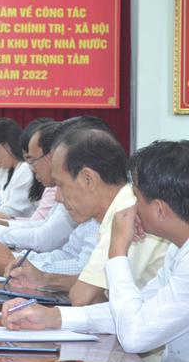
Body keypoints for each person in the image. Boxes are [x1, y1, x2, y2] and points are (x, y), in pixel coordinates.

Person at [2, 140, 189, 362]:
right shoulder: (178, 250)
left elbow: (134, 336)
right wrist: (54, 317)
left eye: (136, 197)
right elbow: (137, 312)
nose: (132, 206)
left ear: (160, 210)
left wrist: (118, 249)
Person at [14, 127, 168, 305]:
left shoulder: (130, 213)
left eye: (60, 185)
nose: (58, 198)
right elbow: (97, 287)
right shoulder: (117, 208)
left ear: (88, 179)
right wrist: (44, 279)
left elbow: (84, 297)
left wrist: (47, 281)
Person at [0, 121, 76, 250]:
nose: (31, 168)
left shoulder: (26, 171)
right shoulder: (14, 170)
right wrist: (2, 224)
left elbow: (44, 238)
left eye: (32, 160)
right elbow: (42, 225)